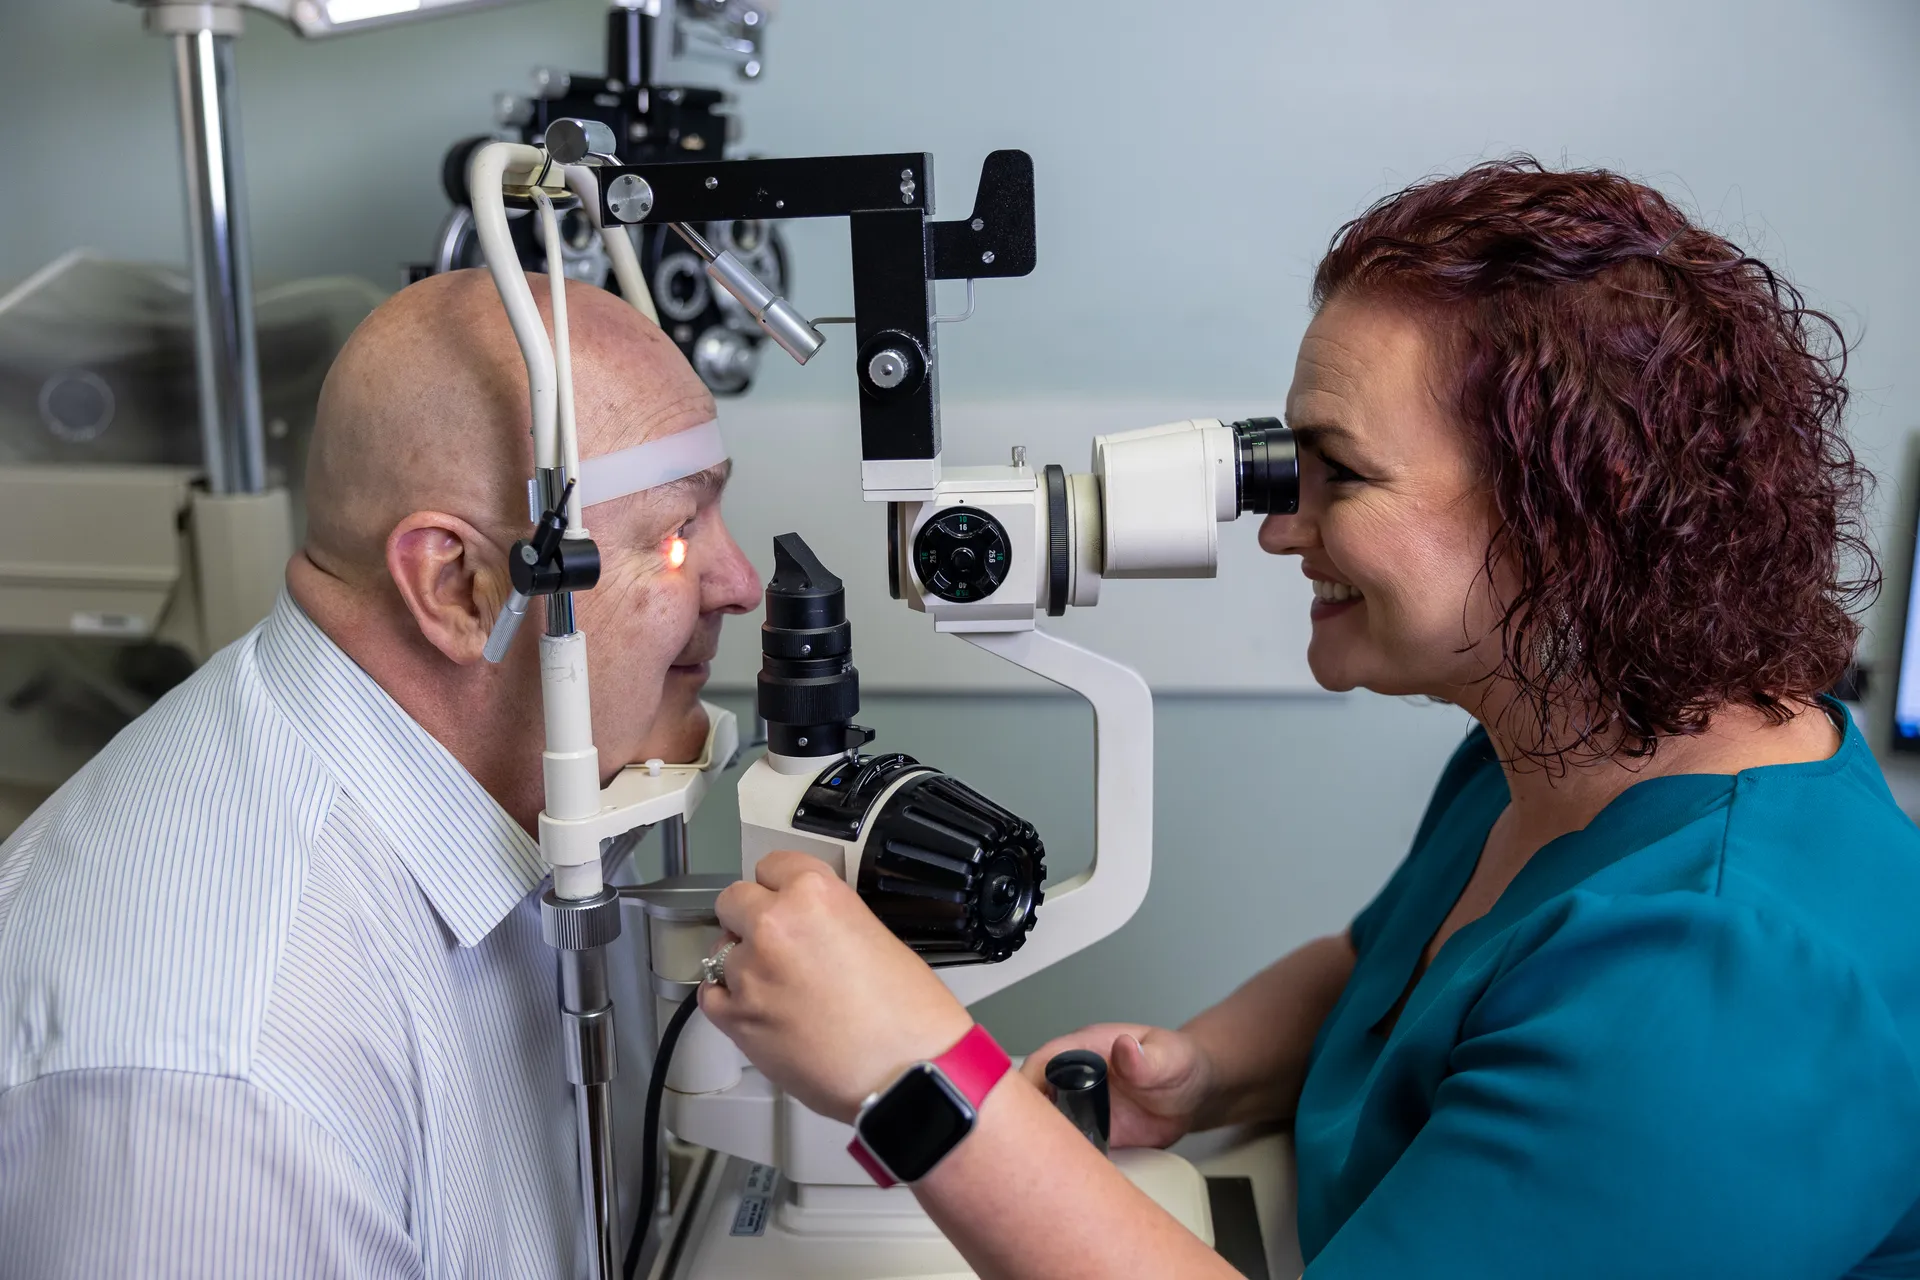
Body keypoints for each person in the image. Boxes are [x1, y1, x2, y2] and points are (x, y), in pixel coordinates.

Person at [695, 158, 1920, 1278]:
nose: (1282, 525)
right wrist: (1206, 1069)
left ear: (1567, 519)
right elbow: (1391, 970)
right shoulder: (1583, 741)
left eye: (1341, 471)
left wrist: (914, 1072)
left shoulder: (1711, 983)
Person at [0, 270, 761, 1276]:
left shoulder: (550, 789)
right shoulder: (229, 1083)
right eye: (674, 536)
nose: (741, 582)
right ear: (458, 586)